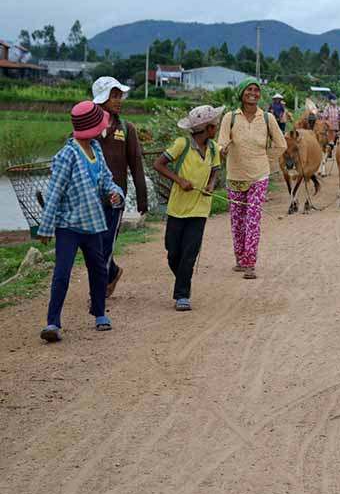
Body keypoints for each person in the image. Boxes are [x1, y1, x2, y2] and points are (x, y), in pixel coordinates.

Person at [37, 101, 124, 342]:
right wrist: (46, 227)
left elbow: (107, 180)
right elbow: (54, 192)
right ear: (92, 127)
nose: (104, 127)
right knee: (62, 272)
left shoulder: (95, 149)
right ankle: (52, 322)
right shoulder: (67, 155)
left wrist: (115, 192)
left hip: (93, 224)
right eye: (101, 124)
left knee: (98, 269)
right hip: (68, 227)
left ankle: (99, 313)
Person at [153, 106, 222, 311]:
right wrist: (179, 180)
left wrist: (211, 186)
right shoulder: (181, 144)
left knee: (189, 253)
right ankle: (184, 278)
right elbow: (159, 164)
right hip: (177, 209)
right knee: (173, 252)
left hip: (200, 209)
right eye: (214, 125)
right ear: (207, 128)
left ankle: (182, 294)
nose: (216, 128)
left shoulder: (213, 148)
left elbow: (215, 171)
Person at [216, 78, 286, 279]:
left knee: (253, 219)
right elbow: (221, 142)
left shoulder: (267, 118)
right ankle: (239, 258)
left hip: (259, 176)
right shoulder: (230, 117)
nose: (253, 93)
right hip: (235, 176)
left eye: (256, 90)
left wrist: (265, 159)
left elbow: (281, 145)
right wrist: (222, 150)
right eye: (249, 89)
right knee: (237, 219)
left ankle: (249, 263)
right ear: (241, 93)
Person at [92, 76, 148, 299]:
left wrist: (142, 199)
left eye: (119, 96)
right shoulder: (88, 127)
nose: (119, 100)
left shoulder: (126, 128)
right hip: (89, 197)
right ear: (102, 99)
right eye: (114, 96)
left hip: (116, 197)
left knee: (106, 243)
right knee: (93, 245)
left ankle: (97, 291)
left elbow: (136, 165)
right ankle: (112, 272)